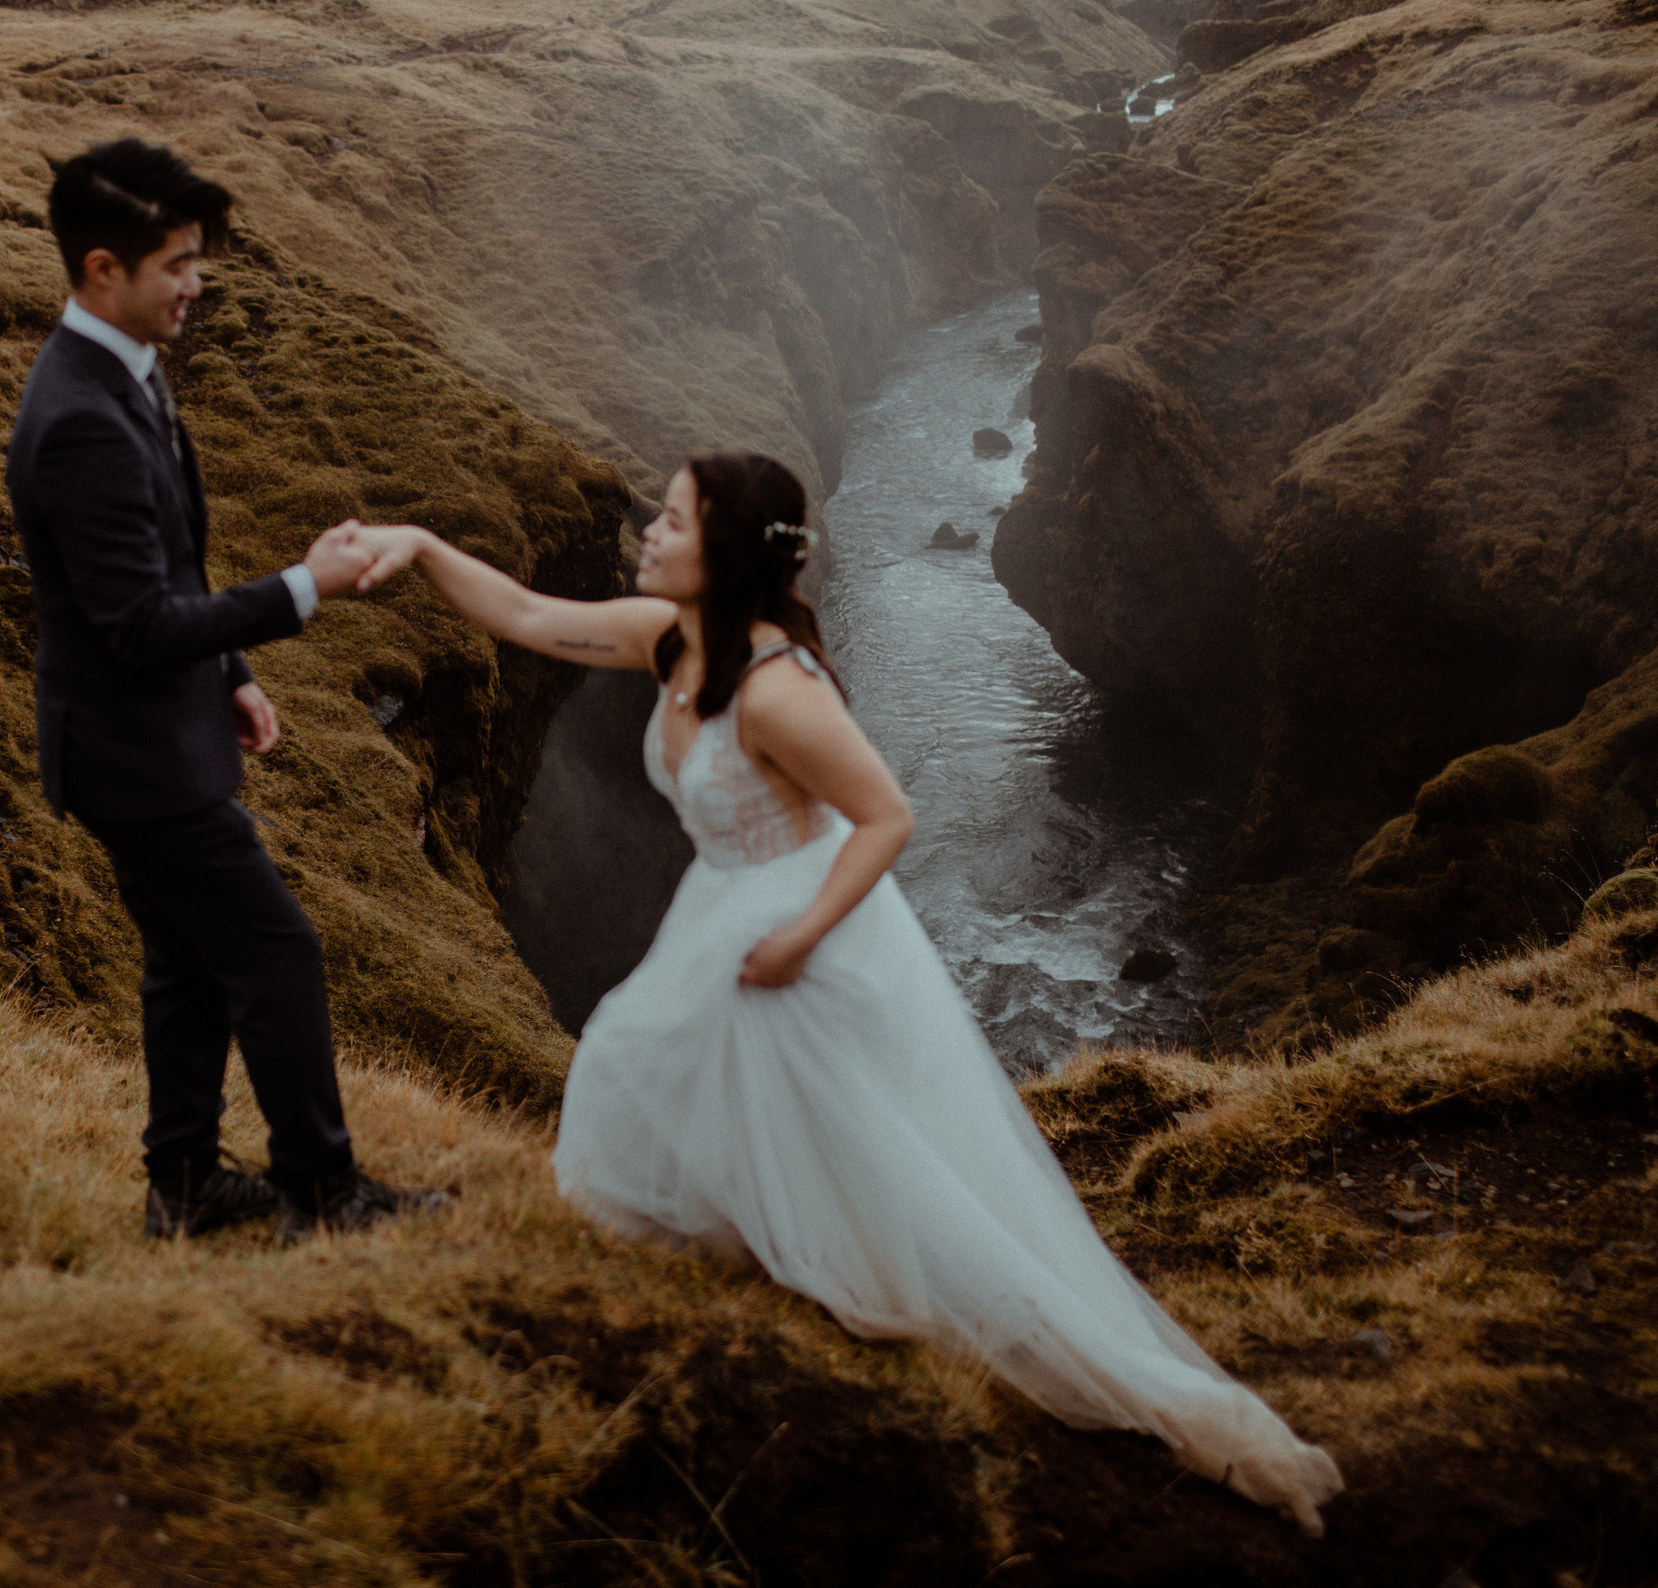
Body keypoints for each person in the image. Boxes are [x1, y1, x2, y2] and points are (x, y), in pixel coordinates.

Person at [347, 452, 1345, 1534]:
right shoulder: (673, 638)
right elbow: (531, 617)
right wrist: (421, 547)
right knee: (645, 1056)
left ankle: (896, 1299)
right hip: (726, 899)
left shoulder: (776, 688)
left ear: (726, 551)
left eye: (673, 520)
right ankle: (737, 1249)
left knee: (836, 1125)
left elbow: (885, 817)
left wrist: (800, 937)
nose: (650, 532)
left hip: (801, 917)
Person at [6, 137, 446, 1243]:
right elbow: (137, 627)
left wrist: (232, 675)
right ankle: (323, 1193)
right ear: (101, 269)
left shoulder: (125, 370)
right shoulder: (80, 418)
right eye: (176, 264)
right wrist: (307, 586)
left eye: (197, 260)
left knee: (188, 964)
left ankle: (186, 1183)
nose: (194, 285)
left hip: (153, 733)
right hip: (134, 757)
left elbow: (167, 567)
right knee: (277, 952)